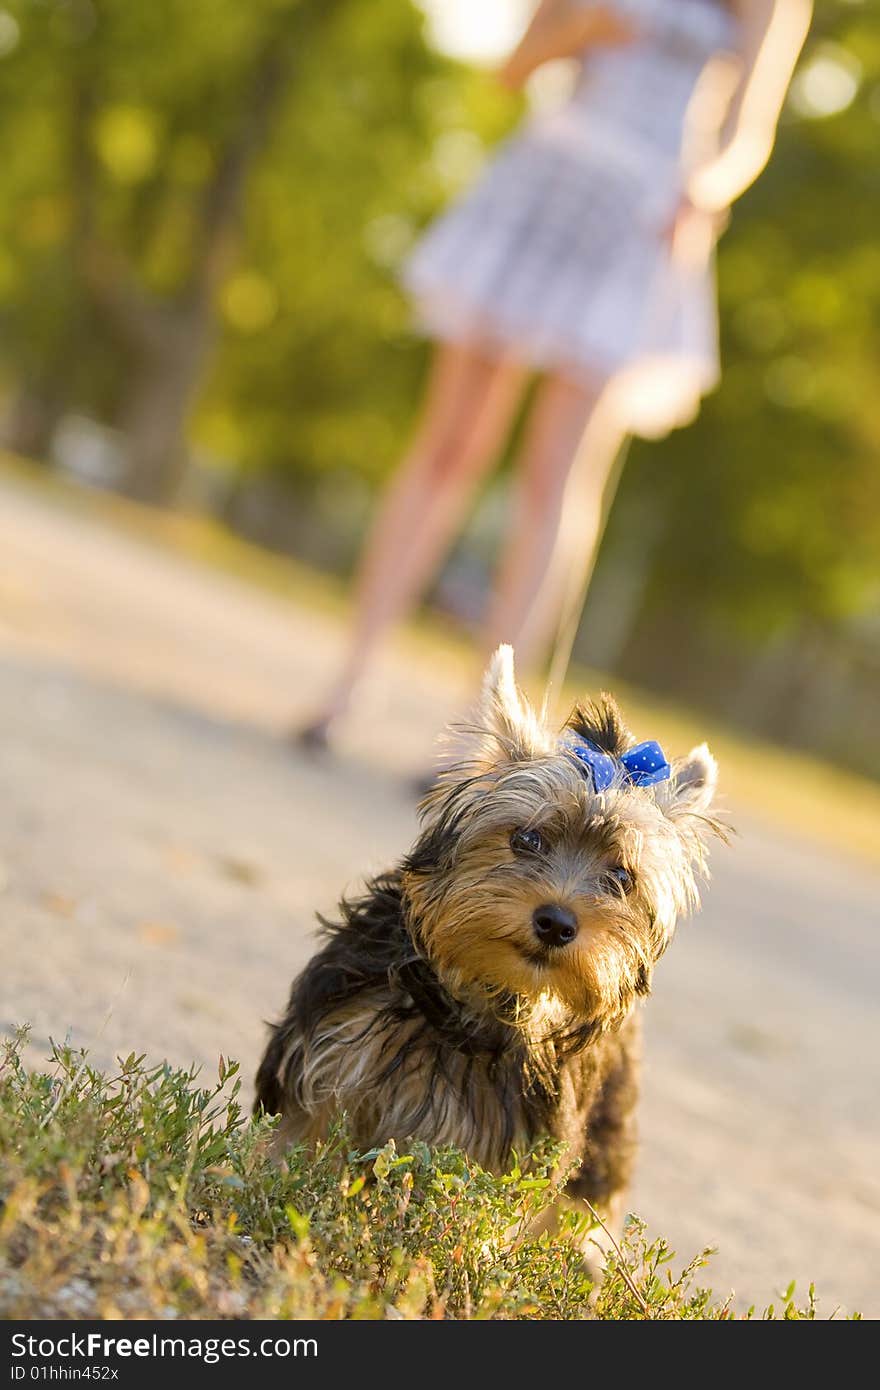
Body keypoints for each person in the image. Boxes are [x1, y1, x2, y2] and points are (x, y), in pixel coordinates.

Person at [299, 0, 812, 748]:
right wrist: (585, 27)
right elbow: (514, 70)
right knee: (450, 446)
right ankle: (348, 684)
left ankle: (486, 734)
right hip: (548, 179)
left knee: (556, 472)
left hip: (641, 213)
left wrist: (704, 190)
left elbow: (747, 135)